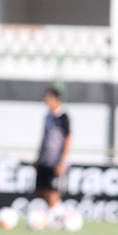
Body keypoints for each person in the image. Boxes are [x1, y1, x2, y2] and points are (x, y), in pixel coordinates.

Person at [34, 87, 72, 224]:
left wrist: (62, 161)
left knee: (52, 190)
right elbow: (44, 138)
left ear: (57, 99)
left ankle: (51, 219)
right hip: (45, 159)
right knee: (41, 189)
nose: (46, 101)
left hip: (56, 160)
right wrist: (38, 158)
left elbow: (68, 139)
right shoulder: (47, 117)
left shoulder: (63, 117)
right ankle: (61, 214)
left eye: (48, 98)